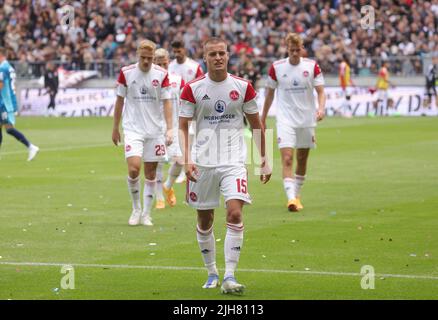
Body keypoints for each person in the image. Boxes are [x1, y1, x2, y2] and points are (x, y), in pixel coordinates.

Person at [179, 37, 272, 294]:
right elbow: (183, 128)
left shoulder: (243, 87)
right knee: (205, 217)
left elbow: (256, 125)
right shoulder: (192, 89)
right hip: (202, 162)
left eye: (222, 53)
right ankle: (211, 272)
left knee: (234, 212)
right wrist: (186, 160)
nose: (218, 57)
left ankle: (230, 275)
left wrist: (265, 159)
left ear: (228, 55)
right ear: (205, 57)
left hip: (233, 161)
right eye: (213, 54)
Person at [261, 33, 326, 212]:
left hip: (307, 120)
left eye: (298, 50)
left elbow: (321, 91)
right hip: (285, 120)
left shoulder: (312, 66)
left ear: (302, 49)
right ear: (287, 49)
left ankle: (297, 195)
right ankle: (290, 198)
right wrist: (263, 117)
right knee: (287, 158)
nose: (295, 53)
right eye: (292, 50)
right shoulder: (277, 67)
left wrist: (321, 108)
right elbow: (269, 94)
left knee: (302, 158)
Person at [112, 39, 173, 227]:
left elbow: (167, 102)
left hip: (155, 131)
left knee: (151, 174)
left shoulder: (161, 74)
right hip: (133, 129)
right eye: (143, 57)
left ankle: (146, 213)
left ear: (153, 57)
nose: (146, 61)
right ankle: (136, 208)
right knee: (133, 168)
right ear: (137, 55)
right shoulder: (126, 73)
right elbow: (120, 101)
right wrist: (115, 127)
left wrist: (170, 128)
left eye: (149, 58)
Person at [153, 48, 185, 209]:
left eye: (165, 63)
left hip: (175, 126)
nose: (162, 66)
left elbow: (186, 99)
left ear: (168, 62)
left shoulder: (177, 80)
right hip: (157, 127)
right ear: (154, 63)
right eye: (159, 63)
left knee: (180, 160)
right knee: (158, 162)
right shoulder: (151, 81)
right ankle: (159, 198)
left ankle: (167, 185)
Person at [169, 40, 204, 184]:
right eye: (175, 51)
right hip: (177, 109)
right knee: (182, 139)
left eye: (179, 51)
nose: (177, 54)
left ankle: (187, 168)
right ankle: (184, 167)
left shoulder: (194, 67)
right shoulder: (170, 66)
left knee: (192, 140)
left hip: (193, 108)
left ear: (185, 49)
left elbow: (201, 85)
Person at [0, 46, 39, 161]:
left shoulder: (2, 68)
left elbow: (0, 86)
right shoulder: (8, 67)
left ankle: (31, 146)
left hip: (4, 104)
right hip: (5, 102)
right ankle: (31, 147)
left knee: (9, 129)